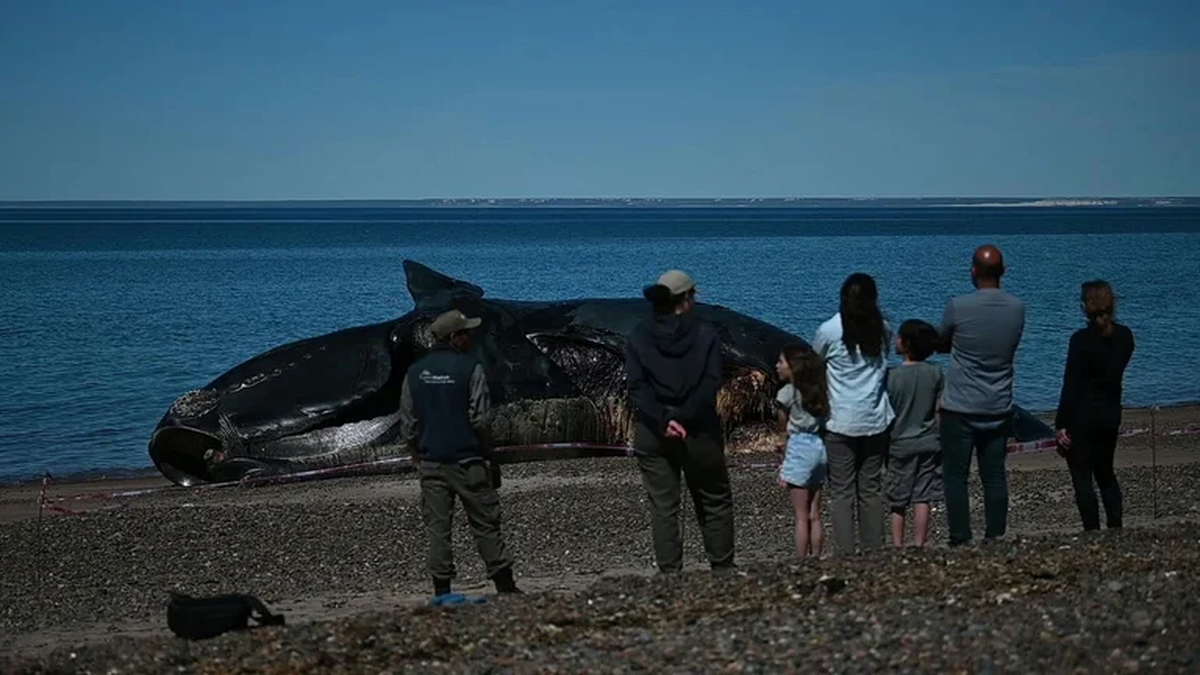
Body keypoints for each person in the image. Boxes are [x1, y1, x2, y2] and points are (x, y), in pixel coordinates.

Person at [398, 309, 522, 597]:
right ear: (454, 337)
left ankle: (442, 590)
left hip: (431, 462)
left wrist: (417, 456)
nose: (471, 338)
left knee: (438, 528)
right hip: (468, 460)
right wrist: (490, 455)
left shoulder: (415, 373)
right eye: (466, 333)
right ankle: (505, 585)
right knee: (486, 523)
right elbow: (481, 419)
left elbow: (408, 422)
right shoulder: (470, 368)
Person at [625, 269, 735, 574]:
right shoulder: (705, 334)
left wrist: (664, 419)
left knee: (663, 506)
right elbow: (710, 383)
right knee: (714, 499)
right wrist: (683, 416)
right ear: (686, 299)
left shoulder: (638, 335)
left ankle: (670, 574)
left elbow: (637, 387)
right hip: (698, 428)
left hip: (653, 429)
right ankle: (722, 569)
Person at [935, 244, 1026, 546]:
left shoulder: (958, 306)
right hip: (998, 402)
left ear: (973, 271)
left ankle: (961, 537)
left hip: (960, 405)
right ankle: (994, 534)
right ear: (1003, 271)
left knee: (956, 476)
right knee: (994, 475)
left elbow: (942, 342)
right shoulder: (1017, 308)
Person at [812, 272, 894, 557]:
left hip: (839, 421)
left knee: (842, 493)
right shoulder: (882, 329)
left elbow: (815, 365)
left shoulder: (829, 330)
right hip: (875, 418)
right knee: (871, 490)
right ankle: (874, 551)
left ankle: (845, 554)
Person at [1054, 280, 1135, 531]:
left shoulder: (1080, 340)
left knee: (1082, 476)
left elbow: (1071, 384)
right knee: (1106, 473)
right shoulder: (1125, 336)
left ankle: (1092, 530)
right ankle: (1115, 527)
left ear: (1084, 307)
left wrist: (1061, 423)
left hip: (1082, 416)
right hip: (1110, 413)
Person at [885, 319, 945, 548]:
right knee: (923, 496)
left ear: (907, 343)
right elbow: (939, 409)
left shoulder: (893, 376)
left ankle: (898, 545)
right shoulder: (936, 372)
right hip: (929, 440)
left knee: (897, 501)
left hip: (900, 442)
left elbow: (888, 412)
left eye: (899, 337)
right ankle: (919, 544)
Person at [773, 344, 830, 560]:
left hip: (799, 447)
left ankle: (800, 561)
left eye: (781, 362)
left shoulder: (787, 392)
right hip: (819, 447)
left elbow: (782, 428)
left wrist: (782, 455)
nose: (777, 366)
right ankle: (816, 557)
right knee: (815, 514)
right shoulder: (818, 392)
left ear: (793, 367)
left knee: (800, 517)